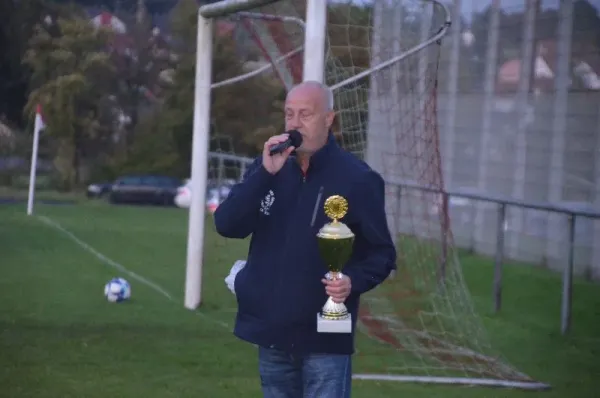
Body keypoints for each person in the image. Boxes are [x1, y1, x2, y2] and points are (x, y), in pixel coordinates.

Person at [214, 80, 397, 398]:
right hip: (273, 331)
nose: (294, 124)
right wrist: (264, 175)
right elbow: (227, 224)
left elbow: (381, 254)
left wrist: (352, 280)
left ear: (329, 119)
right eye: (289, 114)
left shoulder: (359, 179)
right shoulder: (269, 169)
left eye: (305, 114)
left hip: (327, 333)